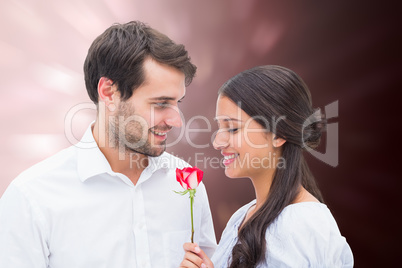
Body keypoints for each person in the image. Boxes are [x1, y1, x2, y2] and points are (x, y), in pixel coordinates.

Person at [0, 21, 216, 268]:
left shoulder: (188, 184)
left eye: (178, 102)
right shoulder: (31, 198)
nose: (176, 121)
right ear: (109, 92)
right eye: (160, 104)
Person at [180, 65, 353, 268]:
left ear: (279, 134)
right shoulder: (243, 216)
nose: (217, 142)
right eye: (220, 127)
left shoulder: (301, 225)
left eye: (233, 128)